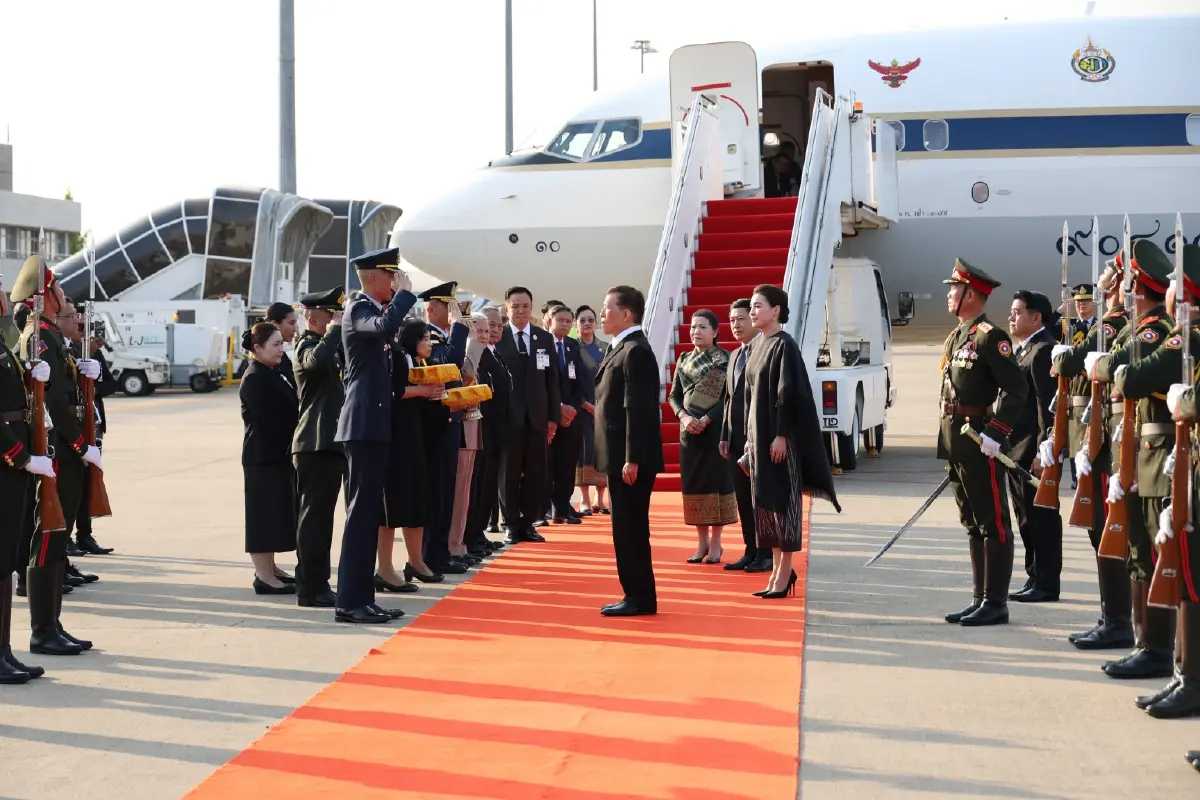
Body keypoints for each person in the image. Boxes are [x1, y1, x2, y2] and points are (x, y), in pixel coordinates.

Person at [1109, 242, 1200, 712]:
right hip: (1164, 459)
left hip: (1173, 461)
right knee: (1160, 563)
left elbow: (1132, 379)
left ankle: (1175, 666)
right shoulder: (1180, 333)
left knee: (1184, 573)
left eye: (1172, 284)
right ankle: (1174, 666)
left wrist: (1186, 401)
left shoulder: (1184, 336)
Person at [1088, 239, 1178, 680]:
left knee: (1155, 552)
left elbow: (1125, 372)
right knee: (1141, 552)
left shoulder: (1155, 330)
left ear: (1136, 287)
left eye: (1124, 284)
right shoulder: (1144, 326)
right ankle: (1147, 644)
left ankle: (1156, 649)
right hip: (1140, 451)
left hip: (1159, 454)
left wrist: (1107, 368)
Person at [13, 255, 101, 656]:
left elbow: (68, 395)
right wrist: (82, 446)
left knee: (57, 539)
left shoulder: (49, 335)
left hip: (63, 451)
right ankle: (42, 629)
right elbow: (58, 405)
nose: (63, 294)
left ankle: (52, 624)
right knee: (47, 538)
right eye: (57, 287)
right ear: (45, 294)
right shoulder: (40, 335)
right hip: (57, 452)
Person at [937, 259, 1028, 626]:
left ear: (970, 294)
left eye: (954, 289)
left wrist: (996, 432)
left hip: (979, 439)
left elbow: (1016, 388)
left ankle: (996, 602)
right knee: (972, 521)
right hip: (957, 439)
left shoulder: (991, 337)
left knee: (994, 522)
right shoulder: (959, 335)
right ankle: (980, 598)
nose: (949, 294)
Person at [1051, 262, 1131, 649]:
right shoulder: (1114, 324)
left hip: (1110, 441)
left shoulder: (1116, 324)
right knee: (1102, 532)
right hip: (1099, 437)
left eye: (1104, 283)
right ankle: (1112, 617)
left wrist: (1069, 356)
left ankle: (1119, 622)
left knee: (1110, 533)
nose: (1096, 292)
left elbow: (1066, 363)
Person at [334, 247, 415, 624]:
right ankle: (350, 602)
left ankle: (362, 598)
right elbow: (381, 328)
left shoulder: (374, 311)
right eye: (391, 276)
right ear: (373, 279)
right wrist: (404, 298)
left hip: (375, 426)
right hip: (363, 426)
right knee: (361, 515)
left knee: (368, 515)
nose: (396, 282)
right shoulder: (359, 310)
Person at [743, 285, 841, 599]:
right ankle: (776, 573)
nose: (753, 311)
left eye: (759, 305)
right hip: (759, 441)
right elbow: (751, 397)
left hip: (779, 442)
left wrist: (782, 435)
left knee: (785, 507)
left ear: (776, 310)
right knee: (766, 508)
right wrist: (749, 440)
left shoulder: (785, 346)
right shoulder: (758, 346)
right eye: (752, 306)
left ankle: (784, 574)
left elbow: (789, 396)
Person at [595, 285, 662, 617]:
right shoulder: (619, 347)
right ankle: (635, 593)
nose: (602, 313)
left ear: (626, 314)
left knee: (631, 528)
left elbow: (639, 409)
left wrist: (632, 457)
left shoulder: (635, 350)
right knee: (625, 527)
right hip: (619, 456)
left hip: (629, 459)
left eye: (608, 308)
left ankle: (639, 597)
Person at [0, 281, 53, 684]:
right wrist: (20, 457)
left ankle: (4, 650)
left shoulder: (2, 342)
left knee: (6, 560)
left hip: (13, 460)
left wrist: (34, 374)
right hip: (6, 460)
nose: (4, 293)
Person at [378, 319, 447, 589]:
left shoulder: (416, 362)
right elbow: (390, 391)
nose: (429, 344)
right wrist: (422, 391)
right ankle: (384, 568)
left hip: (415, 439)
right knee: (391, 508)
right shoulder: (395, 355)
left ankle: (416, 560)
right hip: (396, 441)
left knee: (416, 502)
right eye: (424, 338)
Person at [291, 287, 347, 608]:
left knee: (322, 520)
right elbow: (314, 363)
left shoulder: (329, 345)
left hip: (329, 442)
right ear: (313, 318)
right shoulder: (305, 344)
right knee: (314, 520)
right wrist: (335, 331)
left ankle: (317, 583)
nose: (336, 320)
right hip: (314, 443)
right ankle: (310, 587)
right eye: (331, 315)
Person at [1008, 290, 1063, 602]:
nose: (1011, 317)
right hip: (1017, 450)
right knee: (1026, 517)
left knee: (1041, 518)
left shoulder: (1043, 351)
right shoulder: (1025, 349)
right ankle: (1034, 577)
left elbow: (1048, 407)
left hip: (1034, 451)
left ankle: (1046, 582)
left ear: (1036, 317)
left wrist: (1046, 451)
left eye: (1017, 312)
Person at [495, 286, 561, 544]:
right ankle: (511, 523)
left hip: (537, 418)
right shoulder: (499, 337)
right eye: (515, 306)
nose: (520, 311)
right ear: (507, 307)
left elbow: (552, 381)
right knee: (508, 474)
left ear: (532, 307)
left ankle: (528, 524)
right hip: (508, 418)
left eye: (525, 306)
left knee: (536, 473)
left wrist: (553, 416)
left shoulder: (543, 338)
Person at [670, 309, 737, 563]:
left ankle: (717, 543)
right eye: (693, 327)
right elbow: (674, 396)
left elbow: (729, 398)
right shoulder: (684, 358)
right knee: (695, 484)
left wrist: (707, 418)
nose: (696, 332)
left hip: (714, 432)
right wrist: (685, 418)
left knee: (716, 483)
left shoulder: (724, 359)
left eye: (702, 328)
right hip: (689, 434)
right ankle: (701, 543)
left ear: (715, 332)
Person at [240, 323, 300, 594]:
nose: (281, 348)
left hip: (277, 454)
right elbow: (270, 421)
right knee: (262, 516)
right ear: (257, 348)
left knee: (275, 513)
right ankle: (263, 576)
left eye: (281, 343)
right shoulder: (255, 376)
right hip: (262, 456)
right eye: (275, 344)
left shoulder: (272, 371)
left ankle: (271, 568)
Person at [418, 282, 472, 572]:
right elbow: (448, 367)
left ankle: (439, 553)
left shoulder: (445, 338)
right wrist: (459, 328)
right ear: (431, 308)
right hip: (434, 427)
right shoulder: (431, 340)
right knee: (435, 492)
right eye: (447, 305)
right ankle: (430, 555)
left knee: (445, 493)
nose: (454, 311)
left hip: (448, 422)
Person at [720, 298, 772, 573]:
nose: (736, 325)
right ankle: (750, 550)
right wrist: (724, 434)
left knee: (759, 497)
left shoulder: (765, 352)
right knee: (742, 497)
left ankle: (766, 553)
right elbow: (728, 399)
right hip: (736, 438)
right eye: (731, 321)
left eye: (741, 319)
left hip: (758, 439)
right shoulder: (734, 355)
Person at [467, 307, 510, 554]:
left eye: (494, 327)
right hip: (482, 430)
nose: (489, 333)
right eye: (482, 329)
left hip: (495, 432)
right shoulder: (475, 355)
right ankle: (472, 535)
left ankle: (479, 533)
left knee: (487, 486)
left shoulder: (494, 353)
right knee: (478, 486)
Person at [548, 305, 585, 524]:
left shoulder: (572, 345)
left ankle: (564, 506)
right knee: (549, 463)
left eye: (568, 321)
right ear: (550, 321)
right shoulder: (542, 344)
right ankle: (547, 507)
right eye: (560, 320)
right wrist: (557, 407)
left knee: (568, 461)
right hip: (551, 412)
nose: (564, 324)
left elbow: (578, 380)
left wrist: (572, 408)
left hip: (571, 414)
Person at [573, 304, 608, 515]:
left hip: (603, 408)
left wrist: (602, 405)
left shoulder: (606, 348)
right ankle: (584, 499)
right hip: (580, 408)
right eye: (582, 320)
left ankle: (600, 499)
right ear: (577, 325)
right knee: (583, 453)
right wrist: (585, 404)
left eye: (590, 320)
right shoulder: (572, 348)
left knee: (603, 452)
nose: (587, 324)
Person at [263, 301, 300, 388]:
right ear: (275, 325)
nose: (295, 329)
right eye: (291, 323)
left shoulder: (280, 354)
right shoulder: (269, 359)